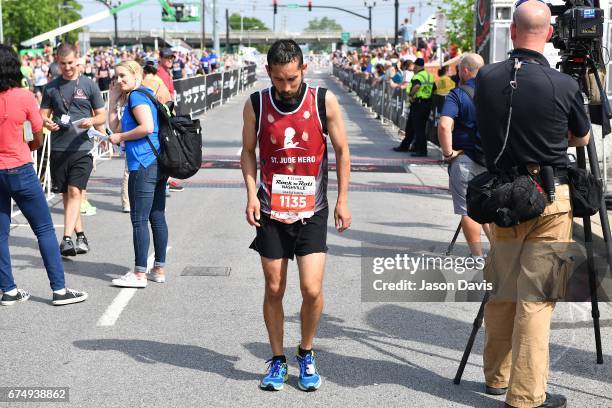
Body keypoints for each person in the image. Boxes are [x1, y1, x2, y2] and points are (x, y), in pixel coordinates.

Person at [474, 2, 591, 407]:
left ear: (512, 33)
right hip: (549, 198)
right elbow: (582, 138)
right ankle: (525, 397)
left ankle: (496, 377)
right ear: (550, 34)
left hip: (504, 198)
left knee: (503, 291)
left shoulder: (486, 77)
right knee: (537, 301)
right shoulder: (564, 84)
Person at [241, 39, 352, 392]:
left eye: (292, 79)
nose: (286, 87)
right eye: (279, 80)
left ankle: (306, 351)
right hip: (272, 210)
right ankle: (277, 358)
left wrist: (343, 199)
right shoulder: (256, 104)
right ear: (268, 73)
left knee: (311, 288)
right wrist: (250, 195)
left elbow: (341, 150)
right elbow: (247, 152)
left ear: (303, 69)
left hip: (312, 210)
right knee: (275, 287)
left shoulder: (323, 101)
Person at [0, 44, 88, 306]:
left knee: (0, 234)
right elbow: (37, 135)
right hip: (20, 167)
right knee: (44, 229)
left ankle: (8, 289)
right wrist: (29, 145)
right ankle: (59, 290)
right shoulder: (24, 96)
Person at [40, 43, 106, 257]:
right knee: (68, 194)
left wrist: (92, 121)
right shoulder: (50, 87)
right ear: (57, 62)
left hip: (82, 147)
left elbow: (101, 115)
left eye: (70, 63)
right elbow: (42, 114)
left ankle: (66, 239)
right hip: (59, 148)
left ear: (78, 59)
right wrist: (47, 123)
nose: (67, 68)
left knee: (76, 191)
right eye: (63, 64)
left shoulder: (89, 84)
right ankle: (80, 236)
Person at [108, 61, 168, 287]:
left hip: (143, 163)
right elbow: (116, 129)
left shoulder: (137, 97)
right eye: (117, 76)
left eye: (123, 75)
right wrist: (113, 100)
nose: (119, 80)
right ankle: (158, 269)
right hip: (155, 162)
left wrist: (121, 138)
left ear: (135, 74)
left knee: (139, 219)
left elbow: (147, 127)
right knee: (156, 216)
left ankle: (139, 273)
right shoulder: (142, 94)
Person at [437, 53, 490, 260]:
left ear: (466, 70)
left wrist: (448, 153)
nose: (458, 73)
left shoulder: (457, 94)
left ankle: (477, 257)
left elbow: (444, 126)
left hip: (465, 159)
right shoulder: (493, 92)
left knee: (467, 210)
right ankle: (499, 254)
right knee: (488, 207)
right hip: (491, 159)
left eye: (459, 69)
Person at [156, 48, 184, 193]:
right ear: (160, 58)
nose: (170, 60)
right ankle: (164, 182)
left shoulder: (166, 72)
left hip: (168, 111)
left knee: (168, 146)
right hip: (164, 113)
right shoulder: (159, 73)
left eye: (172, 58)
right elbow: (162, 96)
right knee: (166, 146)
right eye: (167, 57)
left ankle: (165, 180)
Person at [393, 58, 434, 155]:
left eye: (415, 66)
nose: (414, 68)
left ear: (418, 66)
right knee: (411, 127)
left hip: (418, 103)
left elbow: (416, 86)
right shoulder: (429, 76)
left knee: (419, 128)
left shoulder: (419, 76)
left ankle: (422, 150)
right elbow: (434, 89)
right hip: (425, 103)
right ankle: (406, 146)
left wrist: (411, 95)